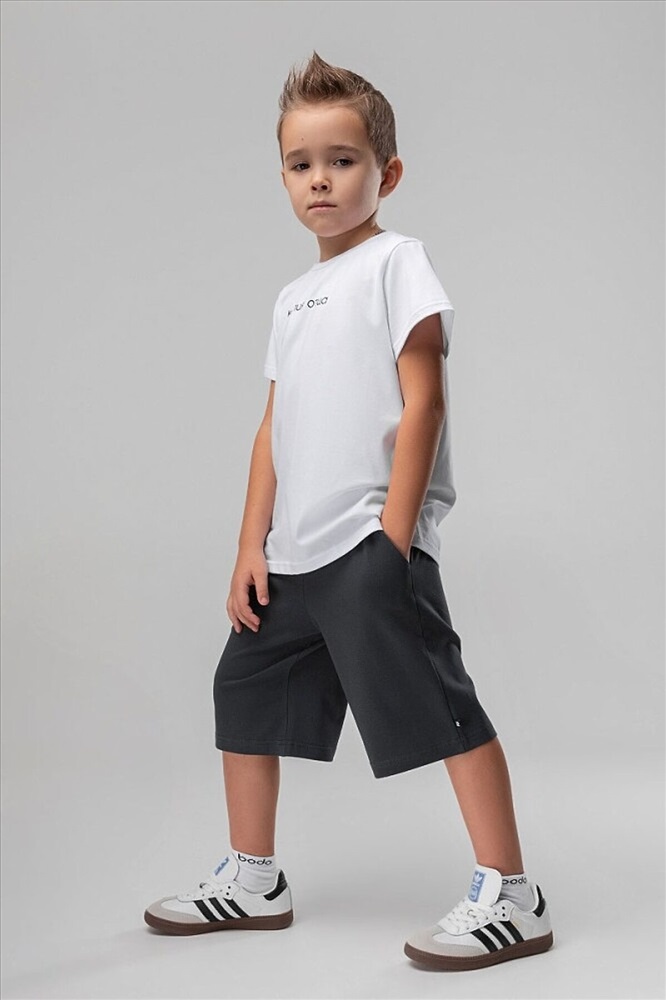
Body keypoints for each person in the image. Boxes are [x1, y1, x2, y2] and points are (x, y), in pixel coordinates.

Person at [144, 50, 554, 972]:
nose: (320, 179)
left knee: (443, 705)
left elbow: (425, 400)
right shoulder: (291, 298)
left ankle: (513, 893)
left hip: (369, 546)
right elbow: (273, 428)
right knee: (243, 691)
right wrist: (250, 545)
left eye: (342, 160)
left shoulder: (397, 264)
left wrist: (393, 541)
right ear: (283, 177)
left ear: (387, 173)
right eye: (301, 164)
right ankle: (255, 878)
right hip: (292, 558)